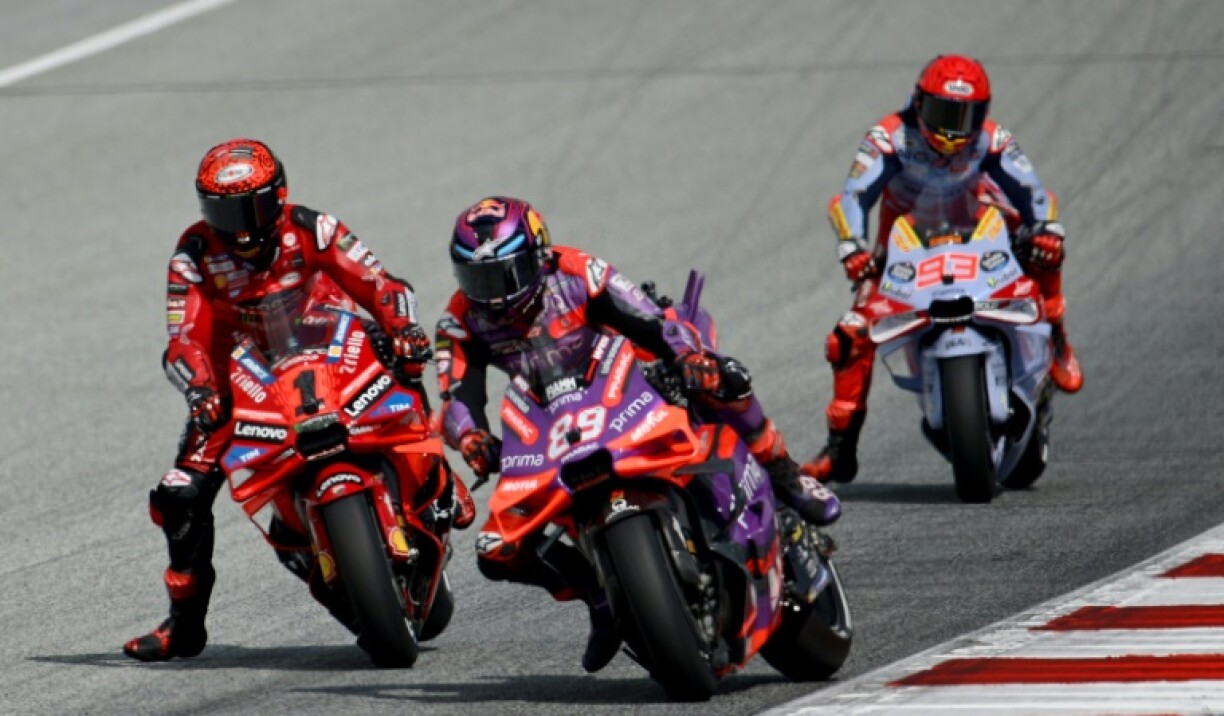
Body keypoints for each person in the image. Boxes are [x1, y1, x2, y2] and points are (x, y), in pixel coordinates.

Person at [434, 196, 841, 673]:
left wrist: (687, 357)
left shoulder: (578, 272)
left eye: (504, 275)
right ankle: (597, 595)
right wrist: (470, 439)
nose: (494, 295)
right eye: (477, 279)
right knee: (497, 554)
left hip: (625, 380)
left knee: (723, 379)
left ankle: (785, 475)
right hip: (550, 424)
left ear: (537, 255)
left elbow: (647, 318)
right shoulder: (459, 319)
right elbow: (457, 395)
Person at [123, 138, 476, 662]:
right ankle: (185, 624)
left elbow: (382, 283)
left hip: (328, 344)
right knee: (180, 495)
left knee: (402, 357)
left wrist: (404, 328)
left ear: (279, 195)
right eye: (223, 209)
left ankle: (440, 480)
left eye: (252, 207)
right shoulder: (194, 255)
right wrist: (200, 389)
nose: (240, 225)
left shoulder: (312, 226)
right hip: (238, 376)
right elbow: (183, 340)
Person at [804, 54, 1083, 483]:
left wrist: (1044, 227)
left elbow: (1033, 191)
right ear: (918, 102)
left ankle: (1058, 335)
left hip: (986, 237)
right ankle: (841, 449)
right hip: (903, 254)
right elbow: (852, 198)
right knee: (849, 336)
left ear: (983, 112)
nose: (954, 129)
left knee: (1047, 247)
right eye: (943, 113)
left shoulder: (993, 139)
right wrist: (853, 247)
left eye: (965, 115)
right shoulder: (888, 138)